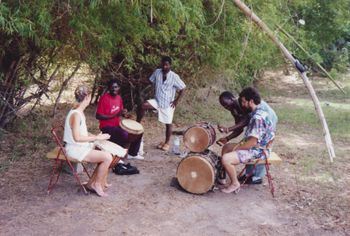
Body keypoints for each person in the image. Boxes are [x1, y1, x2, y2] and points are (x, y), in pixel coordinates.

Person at [220, 87, 277, 193]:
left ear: (251, 101)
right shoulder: (255, 111)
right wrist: (228, 139)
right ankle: (229, 174)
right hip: (256, 146)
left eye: (244, 102)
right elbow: (242, 128)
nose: (242, 104)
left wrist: (237, 147)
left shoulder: (258, 117)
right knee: (227, 147)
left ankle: (237, 182)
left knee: (226, 159)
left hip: (258, 150)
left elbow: (252, 142)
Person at [64, 85, 112, 197]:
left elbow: (82, 134)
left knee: (104, 149)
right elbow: (77, 138)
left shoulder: (78, 111)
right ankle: (96, 184)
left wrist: (96, 137)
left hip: (80, 146)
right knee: (107, 157)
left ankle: (93, 183)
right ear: (87, 97)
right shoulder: (76, 114)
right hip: (74, 148)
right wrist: (96, 138)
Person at [137, 56, 186, 151]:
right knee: (143, 105)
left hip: (168, 103)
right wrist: (139, 81)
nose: (164, 67)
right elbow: (150, 81)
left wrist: (176, 101)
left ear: (170, 65)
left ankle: (167, 142)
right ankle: (137, 125)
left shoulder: (174, 76)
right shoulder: (157, 72)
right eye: (163, 64)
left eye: (167, 65)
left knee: (168, 124)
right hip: (157, 101)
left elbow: (183, 88)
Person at [96, 79, 144, 160]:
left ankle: (133, 153)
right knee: (124, 134)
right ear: (108, 88)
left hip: (117, 125)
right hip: (106, 126)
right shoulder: (104, 98)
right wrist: (114, 115)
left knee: (138, 132)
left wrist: (125, 114)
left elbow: (120, 112)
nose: (114, 89)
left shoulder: (119, 98)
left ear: (119, 88)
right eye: (112, 87)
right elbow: (98, 116)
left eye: (116, 87)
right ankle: (120, 156)